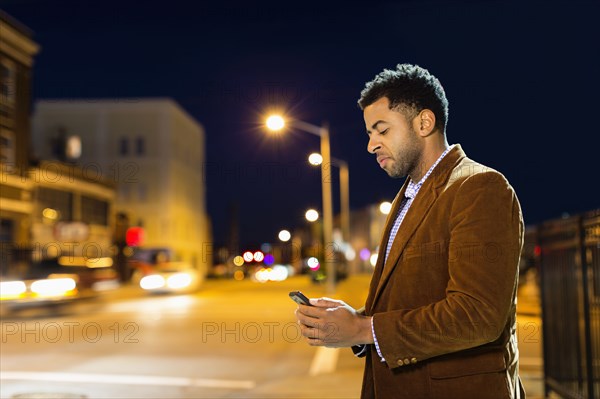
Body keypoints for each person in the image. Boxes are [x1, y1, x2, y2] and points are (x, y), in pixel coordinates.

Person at [294, 63, 525, 399]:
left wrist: (363, 328)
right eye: (369, 133)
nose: (371, 145)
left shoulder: (479, 187)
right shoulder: (408, 197)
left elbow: (477, 315)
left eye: (382, 130)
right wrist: (351, 321)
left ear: (424, 122)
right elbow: (413, 301)